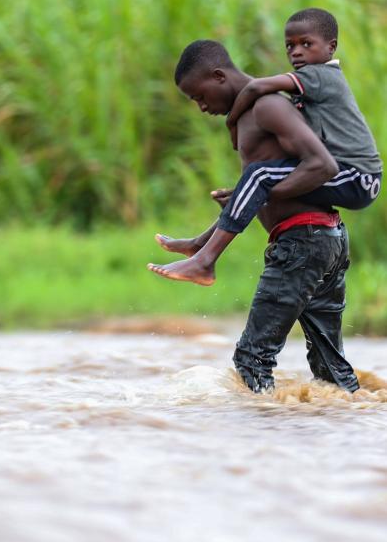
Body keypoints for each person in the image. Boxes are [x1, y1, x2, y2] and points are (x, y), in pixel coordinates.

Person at [148, 40, 359, 393]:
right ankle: (349, 431)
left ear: (218, 76)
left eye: (199, 97)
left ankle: (260, 441)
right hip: (323, 239)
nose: (201, 107)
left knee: (252, 360)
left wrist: (263, 194)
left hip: (302, 243)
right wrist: (206, 233)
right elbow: (276, 180)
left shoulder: (266, 107)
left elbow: (322, 164)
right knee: (330, 371)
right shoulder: (251, 113)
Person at [149, 9, 382, 286]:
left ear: (331, 47)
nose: (296, 52)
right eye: (290, 46)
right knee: (257, 182)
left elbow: (256, 88)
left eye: (306, 44)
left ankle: (205, 260)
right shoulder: (303, 91)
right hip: (330, 212)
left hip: (358, 178)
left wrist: (232, 122)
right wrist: (249, 195)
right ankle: (201, 245)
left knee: (259, 178)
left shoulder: (316, 78)